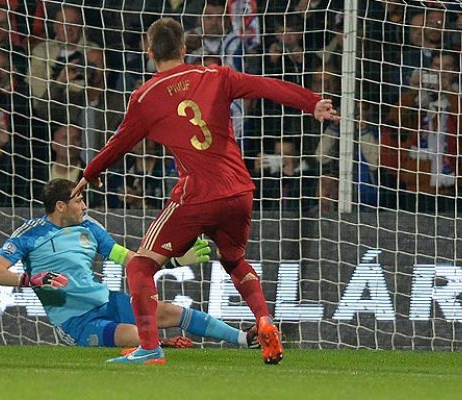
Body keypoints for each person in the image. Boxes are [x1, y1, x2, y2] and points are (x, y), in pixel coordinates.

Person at [72, 18, 339, 365]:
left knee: (139, 266)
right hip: (240, 191)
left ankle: (150, 348)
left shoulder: (145, 97)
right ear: (184, 48)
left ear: (150, 52)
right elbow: (265, 86)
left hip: (198, 194)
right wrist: (312, 102)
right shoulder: (216, 75)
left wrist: (90, 173)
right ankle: (264, 320)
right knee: (233, 260)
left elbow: (119, 143)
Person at [0, 179, 257, 353]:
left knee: (171, 312)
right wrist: (31, 280)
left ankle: (245, 338)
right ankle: (160, 346)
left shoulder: (90, 228)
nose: (84, 205)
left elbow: (132, 261)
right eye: (78, 200)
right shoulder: (30, 233)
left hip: (107, 302)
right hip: (75, 322)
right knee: (141, 336)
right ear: (60, 206)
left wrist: (174, 260)